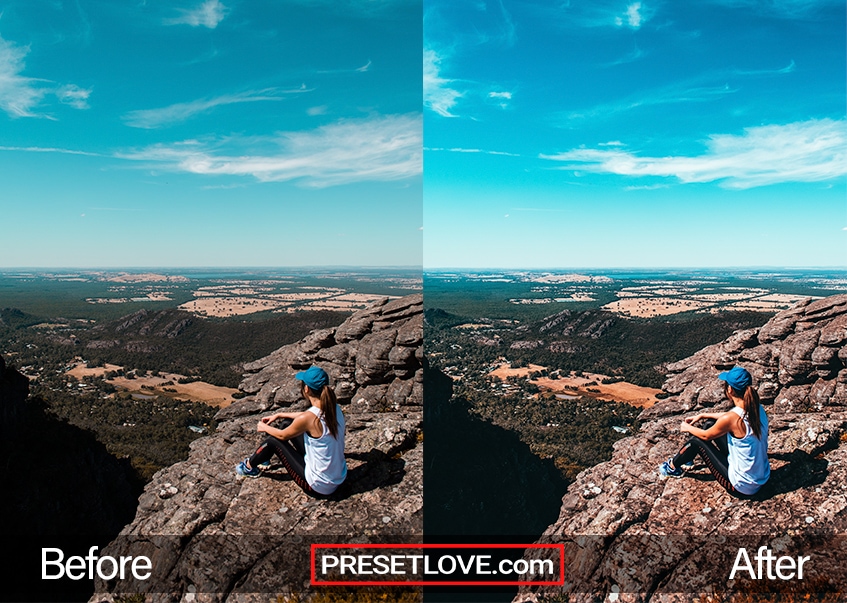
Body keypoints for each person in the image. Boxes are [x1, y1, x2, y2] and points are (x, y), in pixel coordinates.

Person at [236, 365, 347, 497]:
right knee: (286, 423)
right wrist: (281, 414)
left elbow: (283, 435)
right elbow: (307, 417)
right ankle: (264, 458)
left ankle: (249, 467)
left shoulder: (309, 418)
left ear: (306, 389)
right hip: (337, 477)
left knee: (272, 440)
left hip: (318, 486)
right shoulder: (334, 407)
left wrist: (263, 427)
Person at [658, 366, 770, 496]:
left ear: (730, 389)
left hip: (741, 486)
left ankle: (671, 467)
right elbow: (730, 417)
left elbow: (706, 436)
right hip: (760, 478)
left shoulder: (732, 418)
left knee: (696, 440)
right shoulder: (757, 408)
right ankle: (687, 457)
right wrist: (704, 415)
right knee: (710, 424)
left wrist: (686, 427)